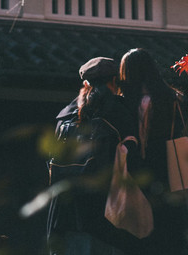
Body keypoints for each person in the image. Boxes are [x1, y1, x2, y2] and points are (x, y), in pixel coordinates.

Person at [47, 56, 143, 255]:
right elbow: (133, 159)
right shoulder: (120, 113)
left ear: (84, 83)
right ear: (115, 81)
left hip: (65, 215)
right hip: (107, 214)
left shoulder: (64, 116)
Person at [119, 48, 188, 254]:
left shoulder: (127, 101)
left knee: (141, 220)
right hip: (168, 158)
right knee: (172, 217)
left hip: (140, 163)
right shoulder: (173, 98)